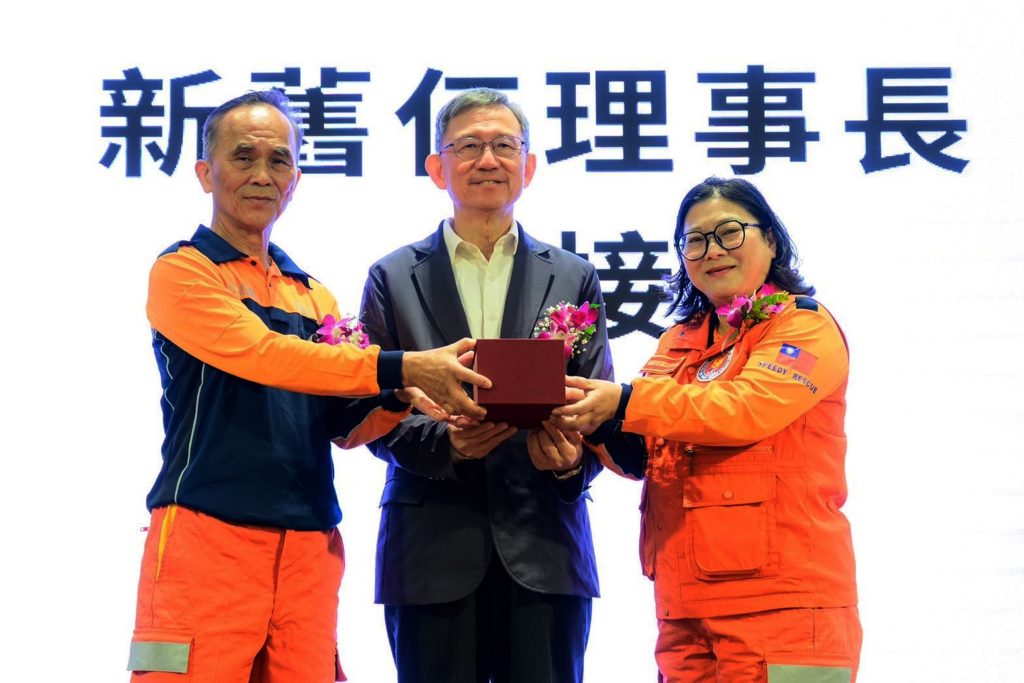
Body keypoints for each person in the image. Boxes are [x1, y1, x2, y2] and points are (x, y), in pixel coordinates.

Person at [127, 90, 491, 683]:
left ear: (295, 179)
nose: (262, 175)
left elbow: (342, 425)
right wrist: (400, 368)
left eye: (279, 161)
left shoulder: (312, 293)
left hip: (309, 546)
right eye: (243, 157)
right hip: (205, 535)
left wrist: (400, 398)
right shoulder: (183, 270)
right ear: (205, 173)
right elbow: (264, 356)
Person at [556, 177, 861, 682]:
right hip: (683, 609)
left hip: (786, 605)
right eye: (694, 240)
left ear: (771, 240)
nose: (712, 251)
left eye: (729, 233)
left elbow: (744, 410)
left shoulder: (803, 326)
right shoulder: (679, 340)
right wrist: (585, 418)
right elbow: (642, 454)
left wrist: (624, 401)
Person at [359, 88, 613, 683]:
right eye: (468, 146)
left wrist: (570, 463)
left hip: (545, 542)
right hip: (430, 546)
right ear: (436, 167)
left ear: (528, 166)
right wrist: (444, 445)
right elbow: (368, 409)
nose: (488, 160)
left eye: (504, 146)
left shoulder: (573, 275)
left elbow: (597, 400)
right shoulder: (392, 276)